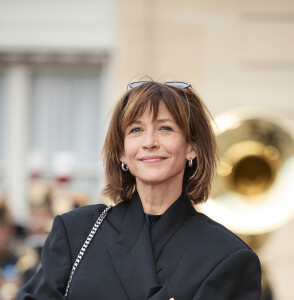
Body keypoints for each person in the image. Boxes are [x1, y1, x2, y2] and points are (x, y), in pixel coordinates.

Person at [17, 80, 261, 299]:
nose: (149, 142)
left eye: (165, 128)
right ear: (122, 152)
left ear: (192, 148)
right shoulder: (75, 232)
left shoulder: (229, 256)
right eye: (136, 130)